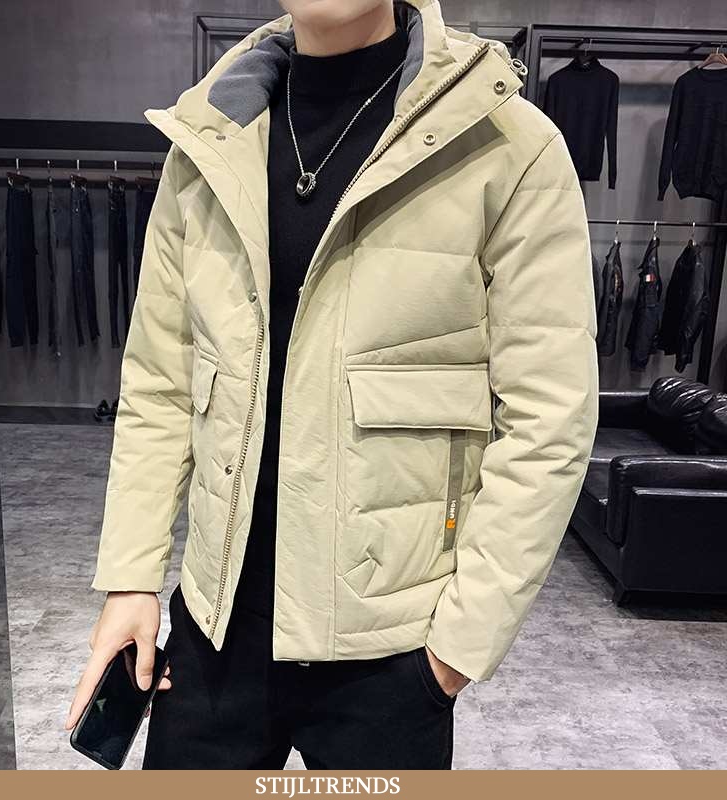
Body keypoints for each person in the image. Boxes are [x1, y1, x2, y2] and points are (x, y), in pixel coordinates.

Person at [66, 0, 599, 769]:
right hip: (215, 636)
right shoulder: (210, 139)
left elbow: (550, 416)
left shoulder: (506, 145)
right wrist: (131, 578)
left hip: (391, 657)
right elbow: (161, 382)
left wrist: (456, 649)